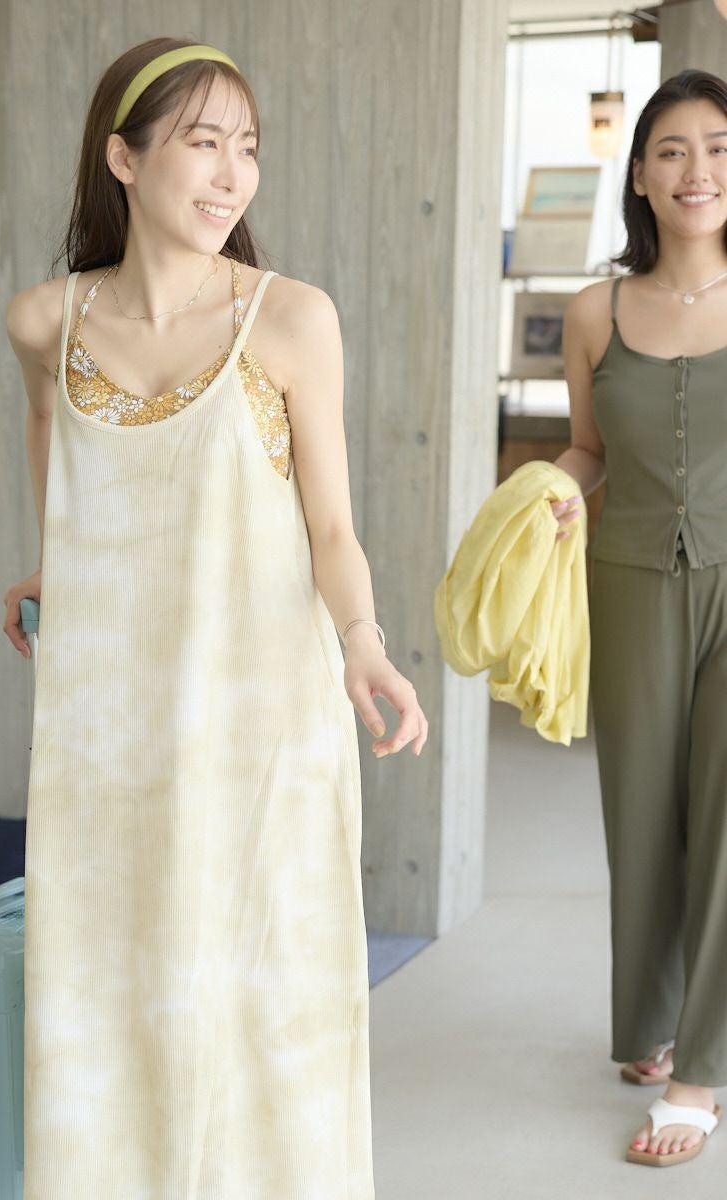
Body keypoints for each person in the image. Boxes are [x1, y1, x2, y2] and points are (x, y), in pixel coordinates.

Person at [0, 37, 428, 1198]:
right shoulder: (45, 322)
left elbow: (329, 525)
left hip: (264, 729)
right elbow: (48, 433)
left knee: (269, 1011)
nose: (233, 172)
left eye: (248, 147)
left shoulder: (289, 319)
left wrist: (364, 645)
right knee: (107, 1001)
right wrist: (53, 560)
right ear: (124, 159)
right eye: (204, 142)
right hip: (108, 735)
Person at [553, 68, 727, 1168]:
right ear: (640, 176)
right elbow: (586, 449)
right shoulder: (594, 311)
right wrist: (553, 493)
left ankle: (700, 1073)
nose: (697, 168)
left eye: (718, 146)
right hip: (623, 579)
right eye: (672, 149)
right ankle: (652, 1020)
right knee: (642, 814)